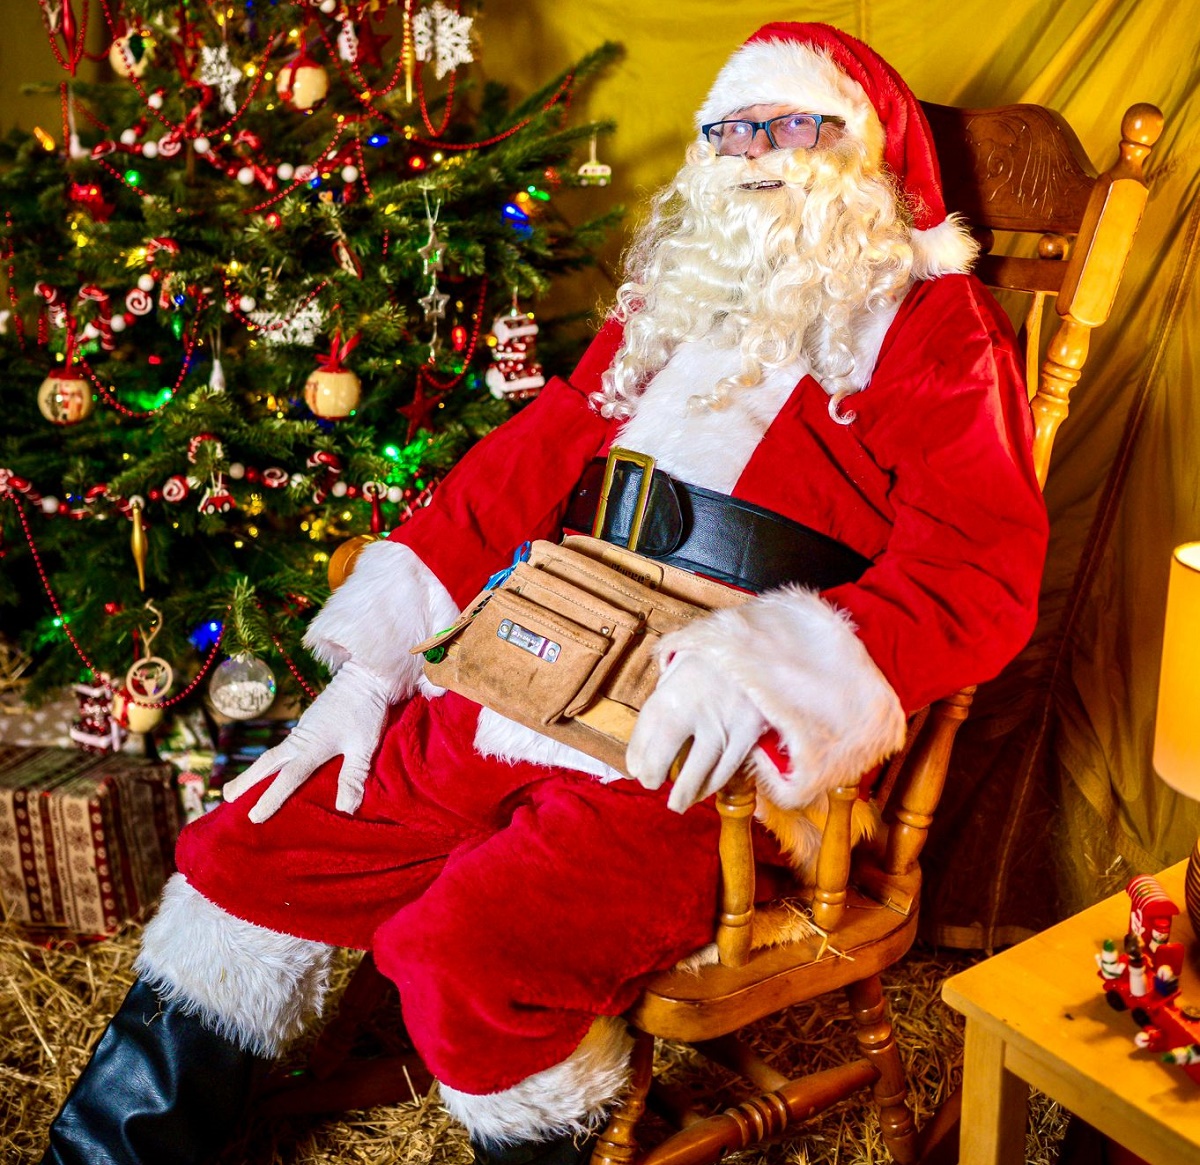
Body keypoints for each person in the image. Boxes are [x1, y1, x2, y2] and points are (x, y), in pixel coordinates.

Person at [41, 21, 1049, 1165]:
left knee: (469, 952)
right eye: (733, 130)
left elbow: (980, 573)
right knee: (255, 845)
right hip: (533, 670)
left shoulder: (929, 328)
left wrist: (769, 674)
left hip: (697, 757)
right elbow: (511, 477)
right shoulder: (672, 302)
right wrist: (374, 663)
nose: (758, 152)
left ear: (866, 155)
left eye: (795, 125)